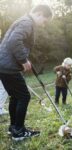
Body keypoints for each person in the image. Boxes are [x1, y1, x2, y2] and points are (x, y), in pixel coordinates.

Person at [0, 4, 53, 141]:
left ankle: (14, 128)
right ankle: (19, 131)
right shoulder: (27, 23)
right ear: (40, 13)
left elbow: (17, 43)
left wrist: (24, 58)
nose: (44, 24)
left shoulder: (23, 20)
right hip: (9, 67)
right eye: (45, 21)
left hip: (4, 66)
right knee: (24, 96)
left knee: (15, 96)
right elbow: (14, 41)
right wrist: (23, 60)